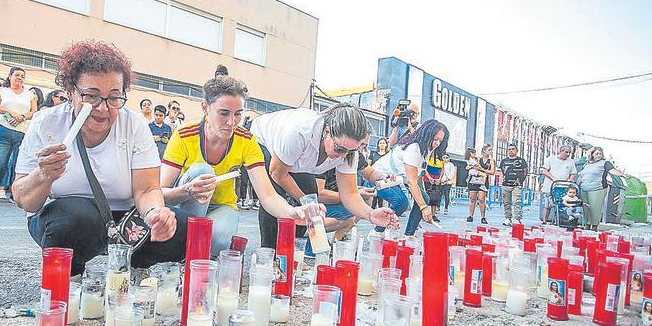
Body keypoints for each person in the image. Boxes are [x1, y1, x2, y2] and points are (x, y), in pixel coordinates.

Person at [13, 40, 183, 275]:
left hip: (124, 219)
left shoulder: (134, 125)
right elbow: (24, 200)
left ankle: (136, 268)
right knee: (76, 218)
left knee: (180, 226)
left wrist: (155, 213)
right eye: (91, 96)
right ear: (71, 92)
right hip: (67, 217)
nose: (103, 108)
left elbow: (146, 190)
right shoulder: (47, 123)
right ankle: (68, 282)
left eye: (114, 97)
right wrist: (42, 176)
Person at [160, 69, 311, 255]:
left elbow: (267, 195)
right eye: (224, 113)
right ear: (205, 108)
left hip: (222, 205)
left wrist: (292, 213)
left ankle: (198, 257)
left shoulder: (246, 140)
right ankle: (187, 249)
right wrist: (189, 189)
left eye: (238, 114)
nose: (232, 122)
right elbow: (160, 192)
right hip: (184, 204)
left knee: (220, 237)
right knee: (202, 171)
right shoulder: (184, 134)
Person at [252, 104, 399, 248]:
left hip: (295, 156)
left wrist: (371, 214)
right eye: (339, 148)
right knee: (275, 196)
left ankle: (292, 246)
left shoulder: (348, 153)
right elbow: (277, 174)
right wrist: (306, 204)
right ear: (327, 132)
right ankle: (268, 253)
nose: (342, 155)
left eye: (350, 151)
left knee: (311, 196)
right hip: (262, 140)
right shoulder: (299, 131)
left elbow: (350, 194)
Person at [372, 119, 449, 237]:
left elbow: (413, 177)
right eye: (435, 139)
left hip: (399, 178)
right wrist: (424, 208)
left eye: (440, 140)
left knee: (424, 197)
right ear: (427, 135)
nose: (437, 143)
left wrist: (423, 203)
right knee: (401, 202)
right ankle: (377, 231)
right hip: (381, 175)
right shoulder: (414, 148)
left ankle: (409, 234)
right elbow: (412, 182)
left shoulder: (426, 149)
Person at [0, 67, 37, 203]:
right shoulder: (2, 91)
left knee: (18, 163)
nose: (19, 78)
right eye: (17, 75)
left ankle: (15, 193)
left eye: (22, 76)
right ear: (10, 77)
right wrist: (13, 114)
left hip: (22, 132)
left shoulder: (29, 94)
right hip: (3, 130)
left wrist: (22, 117)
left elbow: (34, 111)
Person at [577, 147, 625, 230]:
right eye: (596, 154)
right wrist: (576, 185)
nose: (598, 155)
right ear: (592, 154)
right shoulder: (587, 164)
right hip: (584, 188)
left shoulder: (605, 163)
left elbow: (612, 170)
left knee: (595, 208)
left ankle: (594, 226)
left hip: (597, 188)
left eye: (600, 154)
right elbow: (581, 175)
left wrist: (622, 174)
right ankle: (587, 225)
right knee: (586, 208)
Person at [540, 145, 577, 223]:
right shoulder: (551, 159)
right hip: (550, 186)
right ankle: (544, 221)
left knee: (563, 204)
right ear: (560, 151)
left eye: (569, 152)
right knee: (548, 205)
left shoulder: (571, 161)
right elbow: (544, 171)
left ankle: (561, 221)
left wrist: (571, 179)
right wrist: (553, 178)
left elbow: (573, 173)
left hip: (563, 187)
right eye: (566, 152)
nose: (568, 154)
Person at [498, 143, 528, 225]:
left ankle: (517, 219)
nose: (511, 151)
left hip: (516, 185)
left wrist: (520, 181)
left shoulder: (522, 161)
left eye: (513, 149)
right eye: (509, 149)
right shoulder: (504, 161)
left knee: (517, 202)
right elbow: (502, 171)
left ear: (516, 150)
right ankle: (508, 218)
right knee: (506, 202)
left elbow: (525, 172)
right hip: (506, 184)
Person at [466, 144, 495, 224]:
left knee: (482, 199)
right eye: (489, 150)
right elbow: (471, 166)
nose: (490, 151)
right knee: (472, 199)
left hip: (483, 181)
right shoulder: (477, 159)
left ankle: (483, 217)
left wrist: (482, 170)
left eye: (491, 150)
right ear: (484, 150)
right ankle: (470, 216)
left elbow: (492, 172)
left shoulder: (491, 161)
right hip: (474, 180)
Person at [422, 154, 443, 223]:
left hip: (436, 180)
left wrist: (439, 179)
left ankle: (433, 215)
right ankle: (425, 215)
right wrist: (429, 177)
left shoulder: (440, 160)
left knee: (435, 198)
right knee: (427, 197)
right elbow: (424, 169)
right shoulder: (427, 158)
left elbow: (442, 169)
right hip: (427, 180)